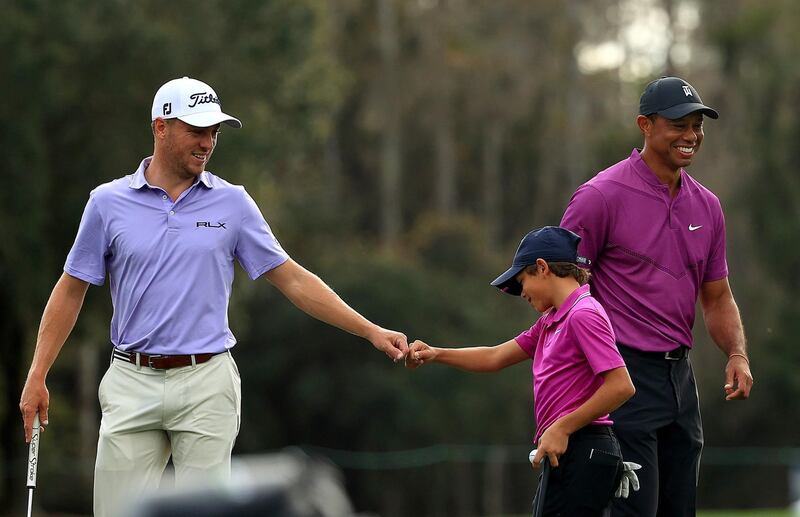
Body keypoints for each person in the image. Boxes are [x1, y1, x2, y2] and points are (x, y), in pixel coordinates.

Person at [18, 76, 409, 517]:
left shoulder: (233, 204)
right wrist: (38, 374)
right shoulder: (107, 203)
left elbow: (293, 280)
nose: (207, 142)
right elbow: (71, 289)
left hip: (206, 381)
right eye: (197, 130)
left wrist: (370, 331)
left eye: (214, 132)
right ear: (160, 127)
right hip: (131, 380)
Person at [560, 76, 754, 516]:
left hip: (680, 382)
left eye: (697, 126)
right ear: (645, 125)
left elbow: (718, 296)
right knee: (633, 512)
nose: (691, 136)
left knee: (679, 509)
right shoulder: (600, 196)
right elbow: (564, 291)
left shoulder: (708, 206)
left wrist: (737, 354)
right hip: (620, 377)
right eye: (678, 125)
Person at [406, 226, 636, 516]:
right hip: (567, 447)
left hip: (584, 443)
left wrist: (562, 427)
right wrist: (436, 354)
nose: (522, 293)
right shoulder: (551, 321)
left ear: (542, 268)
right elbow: (495, 356)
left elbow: (621, 386)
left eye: (522, 281)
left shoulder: (583, 314)